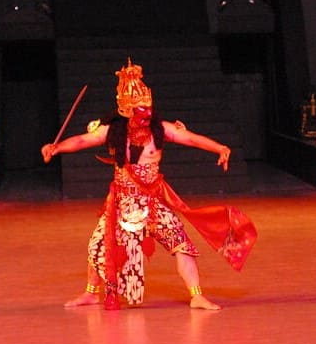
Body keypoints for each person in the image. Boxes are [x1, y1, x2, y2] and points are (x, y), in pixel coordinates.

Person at [41, 58, 257, 311]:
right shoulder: (111, 131)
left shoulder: (160, 130)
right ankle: (91, 293)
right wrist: (56, 148)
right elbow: (80, 141)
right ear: (126, 111)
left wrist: (219, 147)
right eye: (139, 109)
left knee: (182, 245)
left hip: (153, 203)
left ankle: (196, 295)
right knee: (99, 245)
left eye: (147, 108)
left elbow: (190, 138)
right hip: (122, 203)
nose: (145, 114)